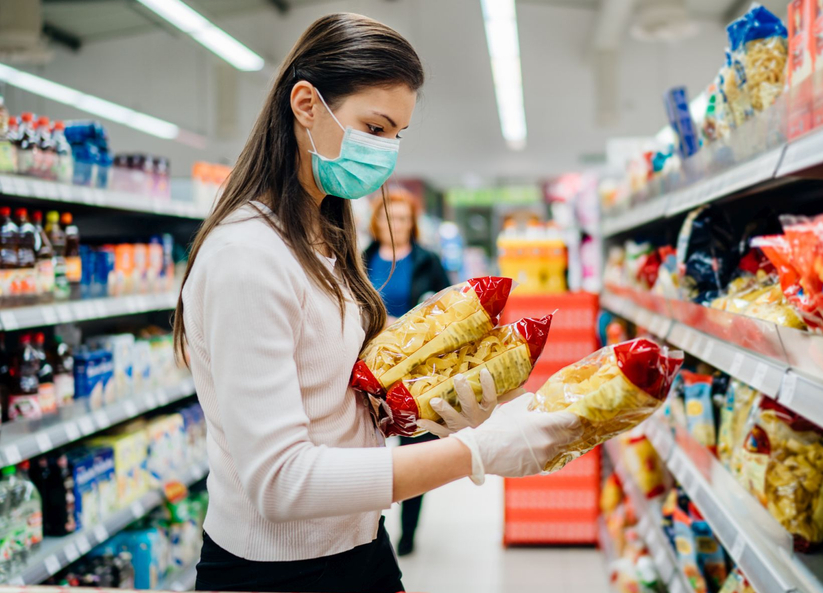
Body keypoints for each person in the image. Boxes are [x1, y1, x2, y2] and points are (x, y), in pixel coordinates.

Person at [174, 13, 580, 593]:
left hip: (360, 547)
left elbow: (333, 396)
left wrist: (435, 401)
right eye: (374, 126)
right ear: (306, 104)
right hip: (277, 575)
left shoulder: (320, 236)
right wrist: (476, 451)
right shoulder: (246, 257)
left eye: (396, 135)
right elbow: (281, 482)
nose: (386, 153)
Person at [363, 191, 449, 556]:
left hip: (417, 372)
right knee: (369, 450)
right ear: (376, 222)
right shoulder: (360, 258)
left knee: (414, 450)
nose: (394, 225)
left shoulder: (428, 261)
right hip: (370, 370)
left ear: (411, 223)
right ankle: (371, 526)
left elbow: (449, 308)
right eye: (388, 218)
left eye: (401, 219)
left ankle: (408, 532)